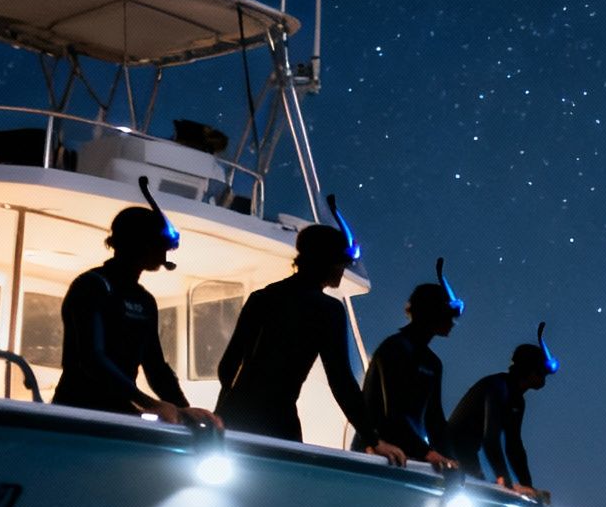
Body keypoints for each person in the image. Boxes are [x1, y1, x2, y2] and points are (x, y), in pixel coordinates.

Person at [214, 215, 406, 466]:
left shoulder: (262, 297)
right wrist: (373, 438)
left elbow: (227, 367)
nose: (343, 269)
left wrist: (222, 412)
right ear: (326, 263)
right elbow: (341, 380)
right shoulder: (328, 309)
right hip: (278, 419)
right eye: (341, 262)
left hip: (233, 415)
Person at [52, 187, 219, 427]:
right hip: (78, 411)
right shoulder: (92, 286)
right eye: (159, 245)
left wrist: (185, 410)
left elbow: (156, 367)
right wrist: (149, 403)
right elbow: (92, 358)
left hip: (119, 412)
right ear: (139, 244)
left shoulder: (145, 300)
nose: (164, 253)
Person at [360, 259, 462, 471]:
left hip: (410, 456)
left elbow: (435, 419)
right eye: (449, 316)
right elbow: (392, 414)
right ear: (433, 314)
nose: (453, 322)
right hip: (377, 454)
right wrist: (428, 453)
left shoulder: (432, 363)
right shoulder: (395, 349)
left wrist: (451, 458)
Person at [446, 322, 557, 502]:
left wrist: (527, 484)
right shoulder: (497, 388)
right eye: (541, 372)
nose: (544, 378)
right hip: (449, 452)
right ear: (529, 371)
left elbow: (514, 446)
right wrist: (504, 479)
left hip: (468, 455)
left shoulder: (517, 401)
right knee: (471, 497)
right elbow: (491, 438)